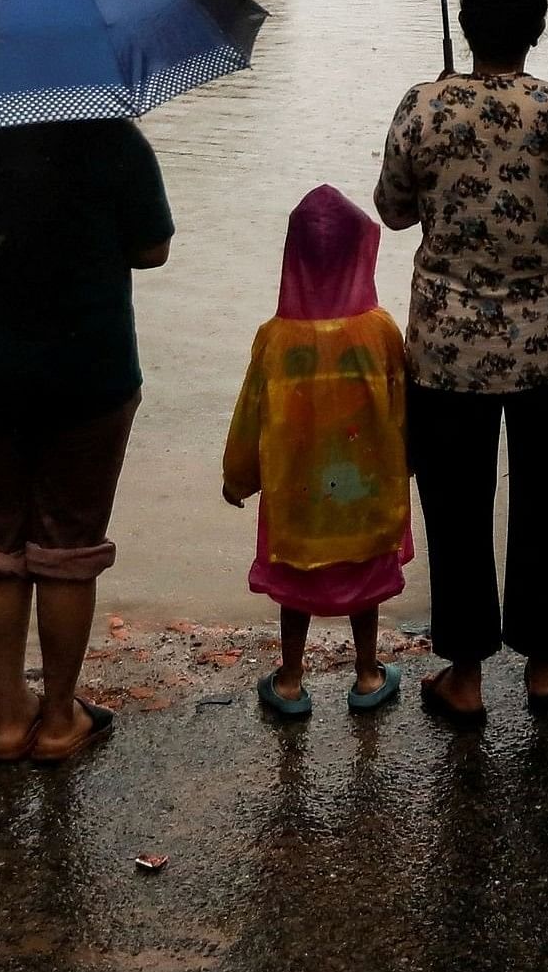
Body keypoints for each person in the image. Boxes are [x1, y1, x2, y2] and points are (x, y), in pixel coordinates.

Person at [0, 92, 174, 764]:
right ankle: (58, 719)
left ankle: (6, 717)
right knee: (67, 546)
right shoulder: (115, 138)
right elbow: (153, 248)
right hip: (90, 369)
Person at [374, 0, 548, 725]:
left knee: (456, 501)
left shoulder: (424, 103)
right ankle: (543, 665)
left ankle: (466, 675)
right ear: (536, 29)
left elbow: (395, 210)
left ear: (468, 26)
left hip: (448, 347)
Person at [222, 186, 412, 720]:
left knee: (296, 587)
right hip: (365, 490)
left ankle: (289, 678)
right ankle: (368, 672)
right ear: (362, 252)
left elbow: (250, 416)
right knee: (365, 580)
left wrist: (238, 477)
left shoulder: (275, 338)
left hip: (298, 494)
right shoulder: (379, 332)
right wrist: (412, 463)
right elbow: (402, 411)